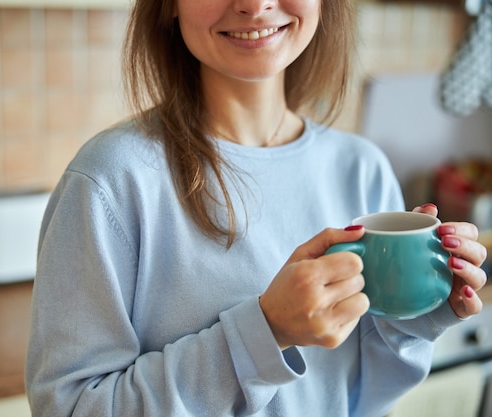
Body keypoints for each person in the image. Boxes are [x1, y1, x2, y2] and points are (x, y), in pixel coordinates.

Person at [25, 0, 488, 415]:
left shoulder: (361, 168)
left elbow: (355, 400)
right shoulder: (109, 181)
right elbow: (70, 410)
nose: (255, 4)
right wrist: (264, 332)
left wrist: (417, 314)